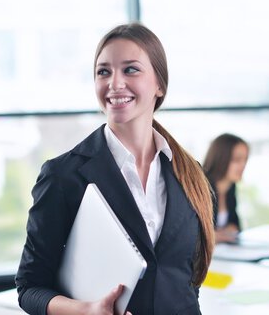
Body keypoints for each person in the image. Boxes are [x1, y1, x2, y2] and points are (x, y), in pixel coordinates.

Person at [15, 23, 215, 315]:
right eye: (103, 71)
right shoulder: (63, 176)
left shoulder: (190, 174)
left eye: (130, 70)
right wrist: (86, 310)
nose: (115, 83)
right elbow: (30, 288)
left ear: (159, 84)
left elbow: (186, 281)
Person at [202, 133, 249, 243]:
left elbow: (236, 225)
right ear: (221, 158)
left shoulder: (230, 187)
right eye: (237, 160)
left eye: (245, 159)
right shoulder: (202, 187)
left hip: (223, 251)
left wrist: (230, 229)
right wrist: (213, 235)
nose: (243, 165)